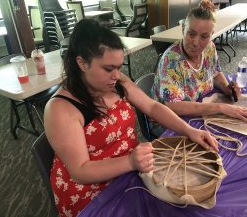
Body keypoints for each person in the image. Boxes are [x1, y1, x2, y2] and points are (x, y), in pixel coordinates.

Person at [44, 19, 219, 217]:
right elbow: (80, 170)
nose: (116, 75)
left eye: (118, 67)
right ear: (82, 63)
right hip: (89, 192)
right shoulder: (60, 109)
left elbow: (152, 107)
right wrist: (130, 162)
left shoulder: (116, 81)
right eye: (108, 69)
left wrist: (190, 131)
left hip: (130, 168)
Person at [151, 0, 247, 123]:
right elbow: (174, 106)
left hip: (200, 107)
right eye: (191, 34)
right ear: (183, 30)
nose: (196, 43)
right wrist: (220, 107)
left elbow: (215, 73)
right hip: (170, 120)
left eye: (204, 36)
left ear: (211, 34)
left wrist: (227, 89)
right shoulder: (171, 62)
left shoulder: (209, 48)